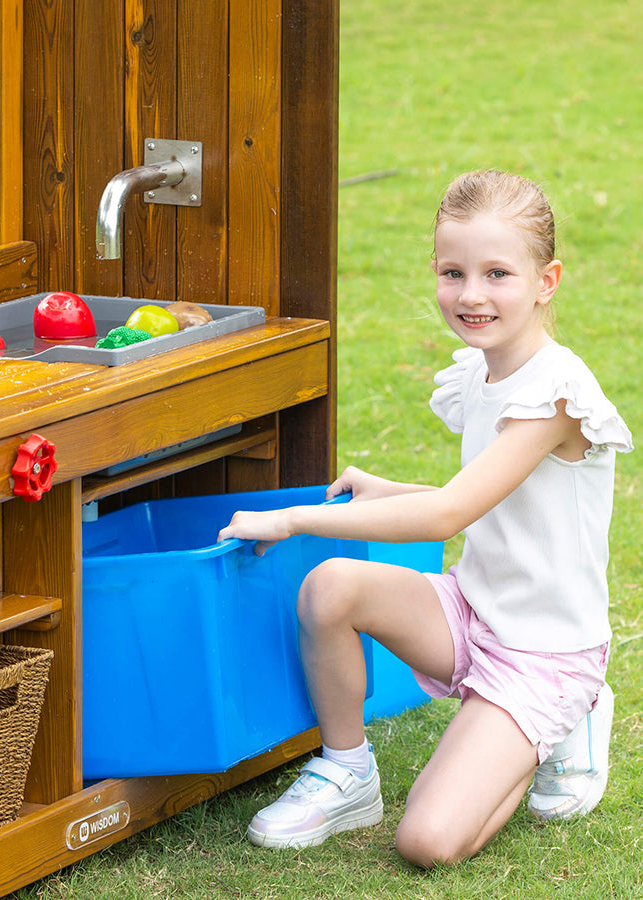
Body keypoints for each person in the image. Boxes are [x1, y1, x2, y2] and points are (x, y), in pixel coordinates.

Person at [217, 170, 633, 867]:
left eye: (497, 273)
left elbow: (447, 515)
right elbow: (486, 498)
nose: (471, 295)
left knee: (428, 842)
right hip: (474, 611)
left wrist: (291, 519)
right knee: (331, 587)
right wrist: (387, 488)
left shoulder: (557, 394)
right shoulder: (481, 369)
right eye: (453, 271)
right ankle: (348, 770)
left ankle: (560, 724)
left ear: (546, 280)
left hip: (543, 655)